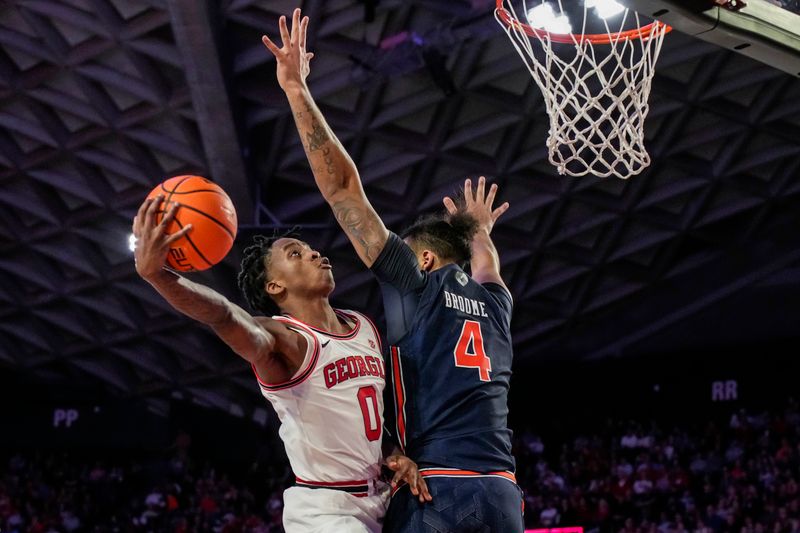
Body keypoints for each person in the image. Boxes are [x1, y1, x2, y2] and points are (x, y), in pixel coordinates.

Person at [262, 8, 523, 531]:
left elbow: (342, 192)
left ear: (422, 258)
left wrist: (296, 90)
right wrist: (479, 233)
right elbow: (488, 267)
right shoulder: (497, 304)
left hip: (440, 487)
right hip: (503, 493)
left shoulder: (417, 283)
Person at [132, 197, 429, 532]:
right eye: (295, 254)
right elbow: (224, 315)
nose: (315, 253)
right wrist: (159, 277)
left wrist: (393, 453)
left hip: (383, 498)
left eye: (309, 249)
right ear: (275, 286)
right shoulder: (284, 340)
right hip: (326, 513)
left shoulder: (364, 327)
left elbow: (366, 422)